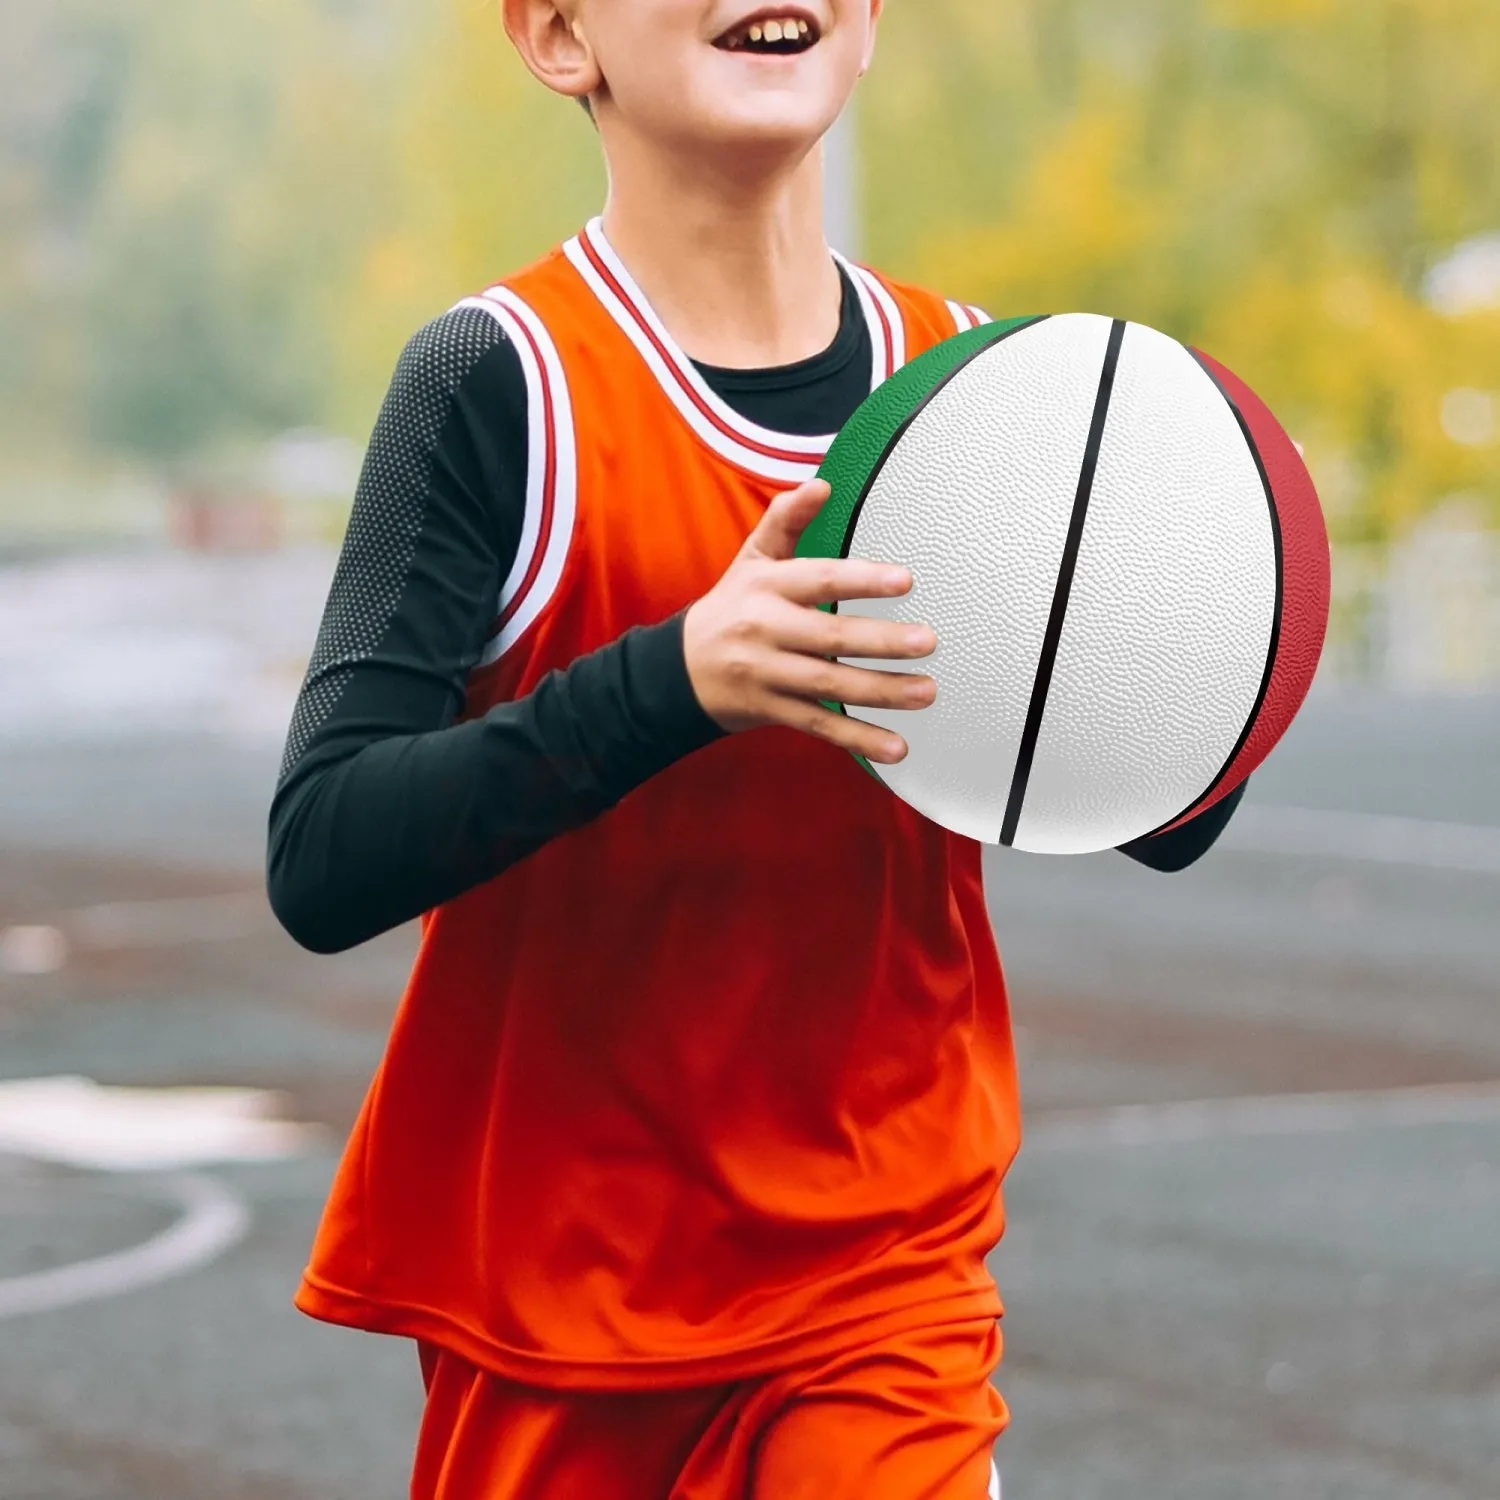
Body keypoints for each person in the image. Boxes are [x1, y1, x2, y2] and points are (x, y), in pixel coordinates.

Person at [267, 2, 1246, 1495]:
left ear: (864, 28)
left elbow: (1161, 814)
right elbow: (323, 853)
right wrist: (674, 679)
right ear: (555, 36)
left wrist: (1194, 646)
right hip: (562, 1289)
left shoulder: (990, 398)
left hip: (883, 1268)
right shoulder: (497, 381)